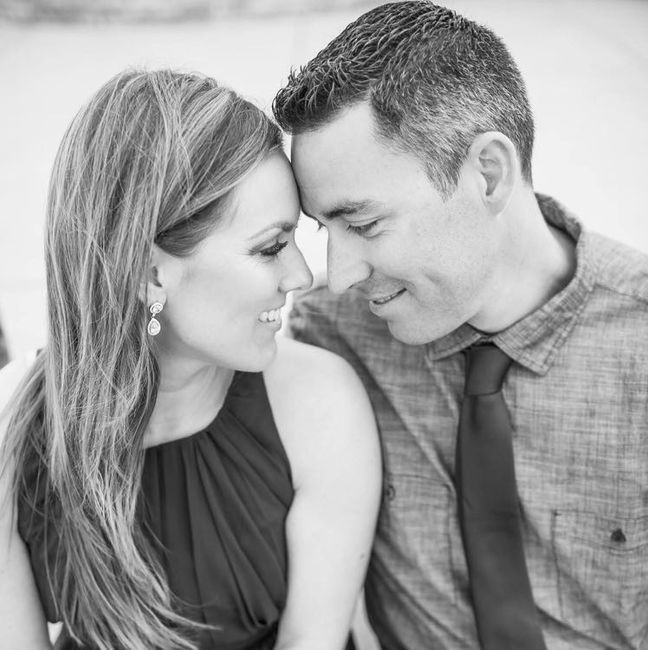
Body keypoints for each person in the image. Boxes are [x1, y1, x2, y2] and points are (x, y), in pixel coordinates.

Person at [272, 2, 648, 649]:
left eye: (363, 224)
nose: (339, 276)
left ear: (488, 175)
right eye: (324, 229)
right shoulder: (333, 334)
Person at [0, 69, 381, 650]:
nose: (302, 276)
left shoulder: (319, 406)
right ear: (151, 273)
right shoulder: (12, 433)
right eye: (271, 248)